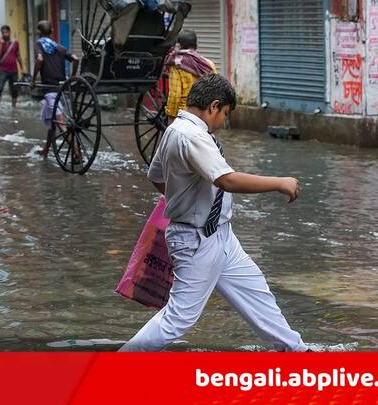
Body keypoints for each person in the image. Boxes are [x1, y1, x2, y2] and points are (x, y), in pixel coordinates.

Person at [120, 75, 309, 352]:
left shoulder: (176, 129)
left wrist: (183, 196)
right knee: (179, 318)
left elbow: (156, 176)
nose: (224, 122)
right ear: (214, 106)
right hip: (196, 239)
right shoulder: (191, 136)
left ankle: (296, 351)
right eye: (225, 114)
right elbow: (226, 180)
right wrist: (280, 183)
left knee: (255, 290)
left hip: (220, 234)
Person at [30, 20, 79, 158]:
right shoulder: (58, 46)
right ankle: (46, 150)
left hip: (51, 91)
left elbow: (39, 59)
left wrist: (33, 80)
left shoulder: (39, 44)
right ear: (51, 31)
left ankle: (76, 152)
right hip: (62, 89)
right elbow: (75, 59)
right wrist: (72, 78)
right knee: (51, 122)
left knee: (60, 123)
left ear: (39, 33)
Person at [164, 29, 217, 122]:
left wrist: (171, 115)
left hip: (184, 114)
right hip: (205, 114)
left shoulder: (177, 65)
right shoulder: (208, 64)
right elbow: (215, 90)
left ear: (180, 45)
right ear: (196, 45)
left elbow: (175, 95)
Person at [0, 25, 24, 108]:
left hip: (13, 70)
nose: (5, 34)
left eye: (6, 32)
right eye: (3, 33)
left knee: (14, 89)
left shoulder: (15, 43)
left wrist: (22, 68)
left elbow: (18, 55)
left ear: (9, 32)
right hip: (2, 70)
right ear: (1, 33)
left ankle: (14, 106)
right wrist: (2, 45)